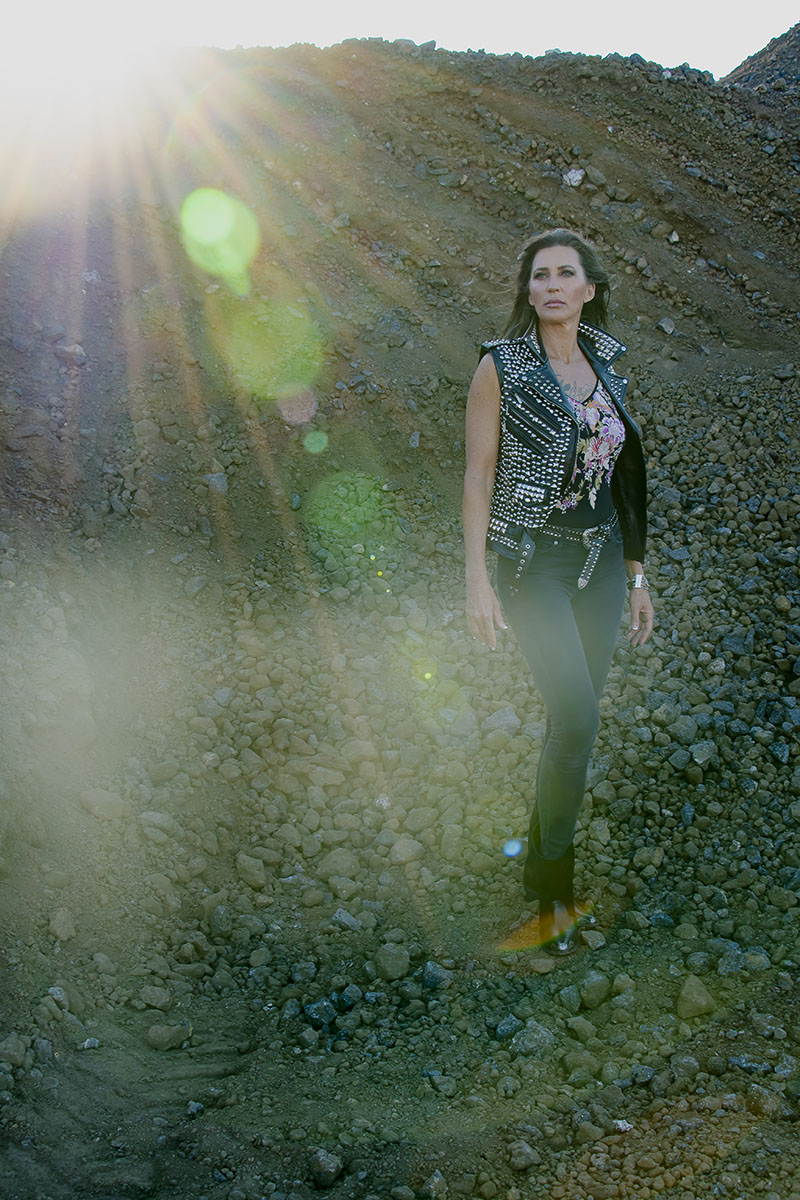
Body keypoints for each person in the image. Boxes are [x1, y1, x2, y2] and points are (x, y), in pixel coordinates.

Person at [463, 228, 654, 954]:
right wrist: (476, 579)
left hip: (600, 565)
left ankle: (540, 868)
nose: (550, 285)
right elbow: (479, 476)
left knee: (572, 723)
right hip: (532, 565)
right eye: (539, 275)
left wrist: (636, 575)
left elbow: (622, 476)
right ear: (529, 290)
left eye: (564, 274)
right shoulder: (502, 366)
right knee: (576, 718)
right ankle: (553, 892)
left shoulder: (606, 365)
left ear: (588, 290)